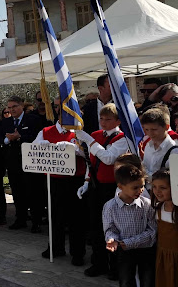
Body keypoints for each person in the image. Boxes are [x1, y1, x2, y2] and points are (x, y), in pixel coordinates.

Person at [75, 103, 128, 279]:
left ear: (118, 121)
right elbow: (92, 162)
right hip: (96, 186)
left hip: (113, 188)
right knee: (96, 226)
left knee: (112, 228)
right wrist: (86, 181)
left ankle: (115, 266)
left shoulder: (122, 138)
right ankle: (99, 263)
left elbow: (108, 158)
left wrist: (89, 141)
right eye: (102, 119)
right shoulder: (97, 135)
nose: (104, 122)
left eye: (108, 119)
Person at [33, 121, 87, 266]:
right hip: (54, 180)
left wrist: (74, 148)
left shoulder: (79, 130)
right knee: (55, 215)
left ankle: (77, 253)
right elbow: (32, 147)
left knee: (76, 218)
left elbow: (88, 153)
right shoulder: (45, 130)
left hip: (75, 179)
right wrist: (41, 145)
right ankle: (56, 247)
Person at [103, 164, 156, 287]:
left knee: (147, 281)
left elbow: (153, 230)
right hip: (124, 252)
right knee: (126, 281)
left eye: (142, 186)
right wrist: (112, 239)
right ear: (120, 187)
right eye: (135, 188)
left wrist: (130, 242)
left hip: (146, 250)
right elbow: (110, 229)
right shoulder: (110, 207)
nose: (140, 190)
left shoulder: (147, 205)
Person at [0, 96, 42, 232]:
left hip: (30, 162)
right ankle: (21, 219)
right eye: (9, 108)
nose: (12, 110)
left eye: (14, 107)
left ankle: (36, 222)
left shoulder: (33, 119)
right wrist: (7, 140)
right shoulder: (6, 122)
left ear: (22, 105)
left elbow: (37, 137)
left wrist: (20, 137)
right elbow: (0, 137)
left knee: (33, 193)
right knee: (17, 193)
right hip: (13, 163)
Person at [151, 169, 178, 287]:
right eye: (154, 187)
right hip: (162, 257)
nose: (157, 191)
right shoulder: (157, 208)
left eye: (163, 188)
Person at [140, 107, 178, 186]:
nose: (150, 133)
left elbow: (172, 179)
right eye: (147, 129)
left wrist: (144, 173)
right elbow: (144, 165)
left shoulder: (174, 151)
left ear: (166, 127)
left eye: (154, 129)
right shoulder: (148, 146)